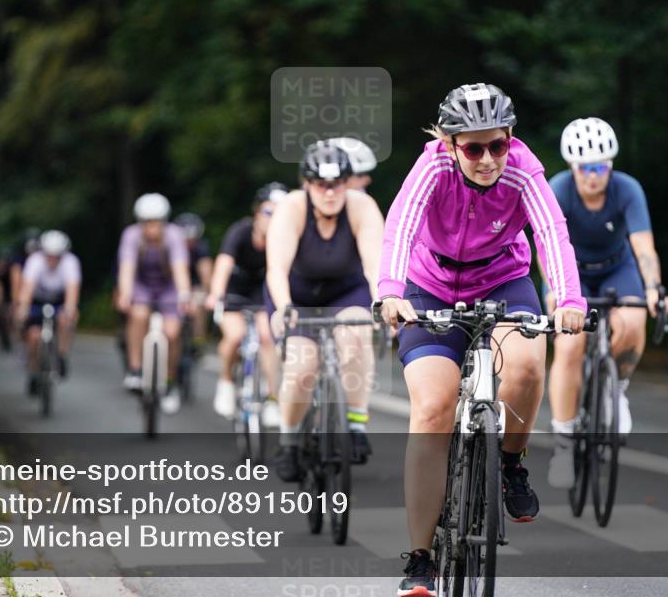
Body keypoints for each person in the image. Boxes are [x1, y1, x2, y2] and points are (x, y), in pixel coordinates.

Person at [374, 83, 586, 596]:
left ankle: (511, 463)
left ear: (509, 138)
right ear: (451, 145)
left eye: (497, 144)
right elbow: (400, 223)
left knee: (529, 365)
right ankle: (421, 559)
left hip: (502, 281)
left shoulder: (522, 167)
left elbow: (551, 234)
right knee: (432, 408)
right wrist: (390, 291)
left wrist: (570, 300)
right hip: (428, 287)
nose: (488, 158)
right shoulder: (432, 166)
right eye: (473, 147)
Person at [544, 117, 668, 489]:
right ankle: (564, 442)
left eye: (600, 167)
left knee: (632, 322)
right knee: (569, 344)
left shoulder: (627, 189)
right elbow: (548, 248)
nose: (592, 175)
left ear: (610, 166)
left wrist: (653, 288)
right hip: (571, 272)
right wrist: (556, 289)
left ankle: (615, 389)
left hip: (618, 269)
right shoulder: (558, 189)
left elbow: (643, 246)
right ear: (573, 167)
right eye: (585, 168)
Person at [266, 142, 384, 481]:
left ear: (348, 182)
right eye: (321, 184)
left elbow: (375, 264)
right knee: (302, 366)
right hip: (297, 294)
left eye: (337, 184)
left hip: (346, 290)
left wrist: (382, 302)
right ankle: (289, 442)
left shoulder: (362, 207)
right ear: (307, 183)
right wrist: (284, 307)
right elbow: (276, 268)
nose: (330, 193)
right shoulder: (291, 208)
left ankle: (356, 423)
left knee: (356, 336)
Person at [206, 182, 288, 425]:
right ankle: (226, 382)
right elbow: (223, 263)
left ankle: (272, 397)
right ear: (257, 212)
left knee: (267, 336)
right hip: (234, 292)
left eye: (279, 213)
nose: (273, 219)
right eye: (268, 212)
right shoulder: (240, 232)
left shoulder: (285, 239)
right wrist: (215, 293)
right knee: (234, 335)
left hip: (263, 294)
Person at [117, 193, 192, 414]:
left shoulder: (174, 236)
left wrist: (185, 294)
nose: (152, 228)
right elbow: (127, 269)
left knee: (172, 332)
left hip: (168, 288)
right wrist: (124, 294)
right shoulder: (131, 236)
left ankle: (169, 381)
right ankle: (135, 370)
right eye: (147, 223)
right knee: (138, 315)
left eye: (156, 222)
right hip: (142, 286)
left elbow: (180, 268)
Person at [14, 231, 81, 393]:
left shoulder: (71, 262)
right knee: (33, 335)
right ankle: (32, 369)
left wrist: (70, 309)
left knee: (67, 318)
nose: (52, 260)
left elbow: (72, 291)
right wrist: (23, 308)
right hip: (37, 301)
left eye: (56, 256)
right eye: (49, 255)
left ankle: (62, 354)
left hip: (59, 301)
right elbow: (27, 289)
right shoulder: (34, 261)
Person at [174, 212, 213, 343]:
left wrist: (206, 292)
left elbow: (206, 273)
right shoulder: (169, 247)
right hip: (172, 285)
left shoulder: (201, 248)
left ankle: (198, 341)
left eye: (192, 240)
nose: (188, 243)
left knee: (199, 303)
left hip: (194, 285)